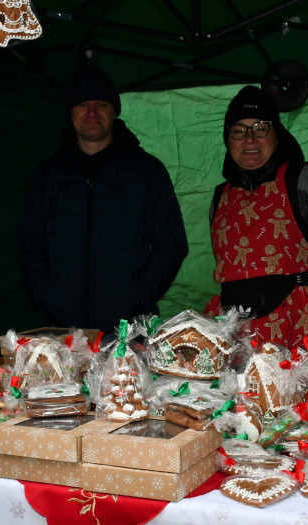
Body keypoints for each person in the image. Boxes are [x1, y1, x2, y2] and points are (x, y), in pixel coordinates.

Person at [18, 67, 189, 332]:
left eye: (102, 104)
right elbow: (31, 243)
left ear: (114, 111)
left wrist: (138, 295)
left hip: (129, 332)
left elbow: (172, 242)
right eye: (83, 104)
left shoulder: (146, 171)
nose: (92, 113)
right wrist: (46, 297)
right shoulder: (47, 176)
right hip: (64, 332)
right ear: (70, 112)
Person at [203, 85, 308, 352]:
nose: (250, 139)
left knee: (295, 394)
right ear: (227, 139)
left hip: (299, 327)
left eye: (260, 128)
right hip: (235, 331)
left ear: (276, 133)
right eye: (238, 131)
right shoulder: (221, 197)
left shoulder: (302, 181)